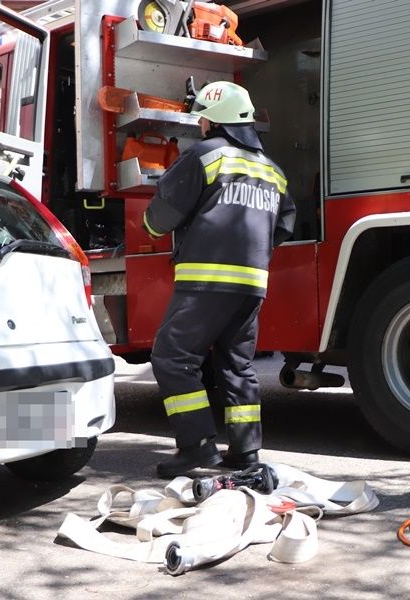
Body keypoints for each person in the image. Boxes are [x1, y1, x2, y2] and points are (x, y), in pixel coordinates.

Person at [142, 81, 296, 479]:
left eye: (203, 117)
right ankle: (246, 453)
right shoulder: (272, 171)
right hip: (251, 286)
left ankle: (196, 446)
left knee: (173, 357)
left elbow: (158, 221)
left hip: (206, 280)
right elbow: (284, 227)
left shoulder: (205, 156)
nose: (201, 124)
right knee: (237, 365)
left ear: (212, 119)